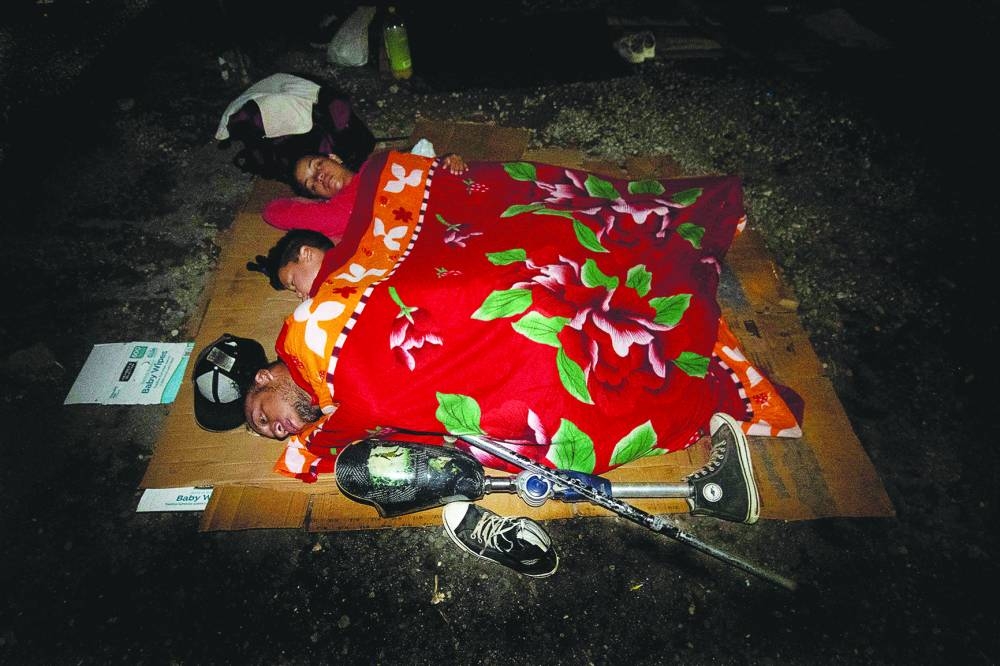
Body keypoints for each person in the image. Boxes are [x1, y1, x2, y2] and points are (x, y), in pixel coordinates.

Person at [234, 352, 759, 578]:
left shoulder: (314, 338)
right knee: (536, 465)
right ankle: (710, 494)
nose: (274, 429)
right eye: (268, 433)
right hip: (478, 448)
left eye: (262, 416)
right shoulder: (327, 425)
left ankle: (711, 492)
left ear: (264, 379)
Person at [260, 148, 468, 241]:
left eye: (318, 165)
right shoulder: (337, 211)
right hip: (433, 237)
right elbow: (272, 211)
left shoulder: (377, 164)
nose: (319, 177)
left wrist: (446, 160)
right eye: (312, 184)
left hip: (449, 205)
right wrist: (307, 202)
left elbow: (419, 166)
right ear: (318, 196)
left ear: (334, 157)